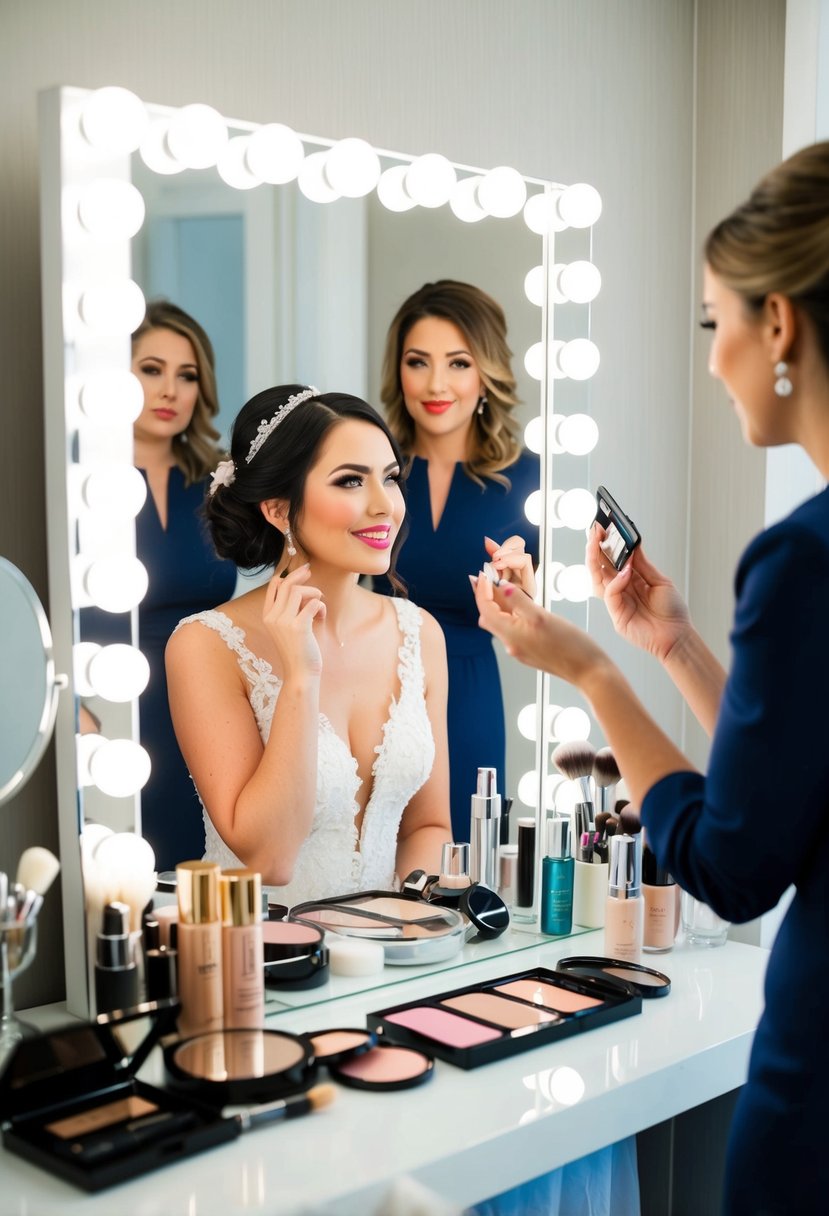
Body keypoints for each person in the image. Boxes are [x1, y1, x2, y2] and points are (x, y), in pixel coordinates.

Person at [473, 141, 829, 1215]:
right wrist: (671, 642)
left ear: (778, 323)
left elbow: (733, 859)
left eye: (712, 321)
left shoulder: (803, 559)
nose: (713, 359)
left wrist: (590, 669)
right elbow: (798, 780)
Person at [165, 385, 451, 904]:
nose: (384, 505)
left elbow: (427, 825)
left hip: (393, 963)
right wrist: (300, 678)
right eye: (349, 481)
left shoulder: (419, 633)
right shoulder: (206, 645)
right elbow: (269, 860)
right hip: (266, 962)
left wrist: (410, 923)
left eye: (390, 478)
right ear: (277, 509)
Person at [377, 280, 539, 842]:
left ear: (485, 373)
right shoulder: (371, 470)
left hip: (468, 696)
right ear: (398, 372)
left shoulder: (532, 481)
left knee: (463, 866)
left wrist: (522, 600)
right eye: (418, 362)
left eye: (459, 362)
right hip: (374, 690)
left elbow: (533, 633)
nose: (437, 384)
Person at [83, 301, 237, 871]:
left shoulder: (221, 484)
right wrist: (74, 704)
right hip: (108, 716)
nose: (169, 389)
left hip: (210, 709)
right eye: (151, 369)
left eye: (187, 375)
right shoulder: (81, 484)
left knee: (204, 877)